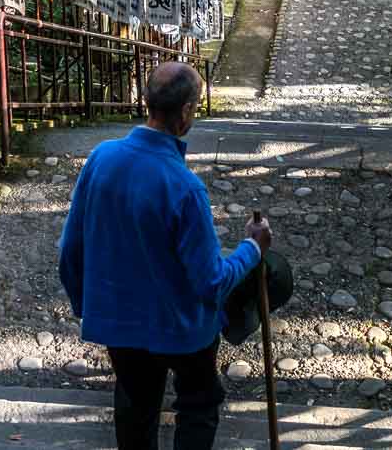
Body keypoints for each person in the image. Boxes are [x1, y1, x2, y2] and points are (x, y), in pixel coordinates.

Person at [59, 62, 274, 450]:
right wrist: (252, 247)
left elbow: (69, 250)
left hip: (119, 323)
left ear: (147, 102)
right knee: (199, 403)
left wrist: (88, 308)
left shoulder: (101, 158)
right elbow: (210, 281)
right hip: (182, 330)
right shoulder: (184, 187)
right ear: (188, 112)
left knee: (135, 408)